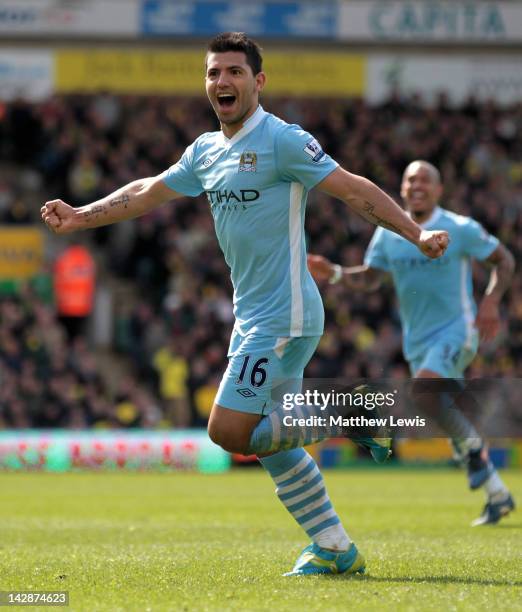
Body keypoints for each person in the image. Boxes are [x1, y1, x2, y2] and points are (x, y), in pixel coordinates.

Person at [41, 33, 449, 576]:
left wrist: (415, 233)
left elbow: (353, 189)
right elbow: (147, 191)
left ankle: (357, 413)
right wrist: (82, 216)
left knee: (228, 432)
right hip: (252, 316)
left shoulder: (283, 140)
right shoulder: (206, 151)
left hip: (285, 315)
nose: (222, 82)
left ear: (258, 81)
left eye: (234, 72)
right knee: (272, 441)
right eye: (213, 73)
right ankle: (334, 547)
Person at [308, 160, 516, 526]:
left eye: (425, 180)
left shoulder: (459, 227)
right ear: (402, 189)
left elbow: (504, 260)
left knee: (423, 391)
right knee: (431, 402)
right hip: (417, 340)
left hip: (458, 329)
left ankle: (473, 451)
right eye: (409, 180)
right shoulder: (390, 233)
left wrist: (491, 301)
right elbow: (372, 277)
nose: (416, 185)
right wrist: (337, 273)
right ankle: (496, 492)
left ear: (438, 190)